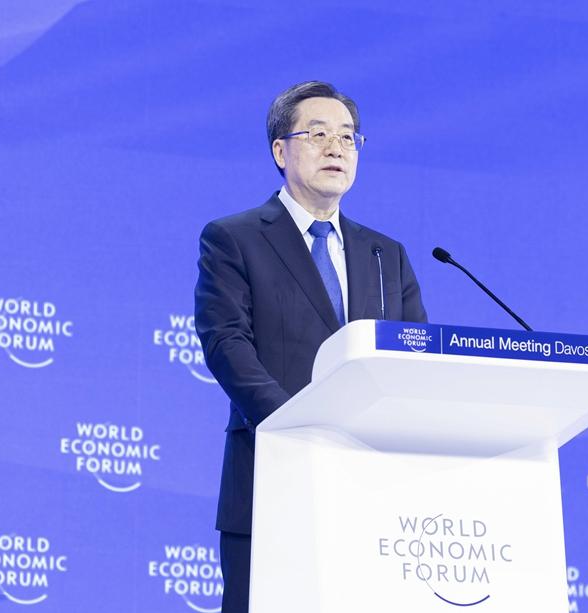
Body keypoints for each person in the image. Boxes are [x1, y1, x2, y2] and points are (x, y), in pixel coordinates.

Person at [194, 81, 427, 613]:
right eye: (318, 134)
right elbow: (226, 342)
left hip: (372, 490)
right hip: (272, 476)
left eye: (348, 137)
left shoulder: (385, 254)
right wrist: (297, 429)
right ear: (281, 151)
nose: (335, 147)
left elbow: (415, 358)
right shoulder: (234, 239)